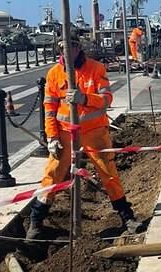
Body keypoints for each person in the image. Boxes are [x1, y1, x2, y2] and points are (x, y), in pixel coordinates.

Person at [27, 34, 136, 239]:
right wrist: (52, 137)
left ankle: (127, 216)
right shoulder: (54, 74)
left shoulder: (96, 69)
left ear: (79, 48)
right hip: (65, 133)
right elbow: (49, 108)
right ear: (59, 50)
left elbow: (106, 100)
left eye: (72, 47)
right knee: (53, 174)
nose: (68, 52)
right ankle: (36, 221)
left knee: (108, 172)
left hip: (94, 132)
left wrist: (84, 98)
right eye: (63, 48)